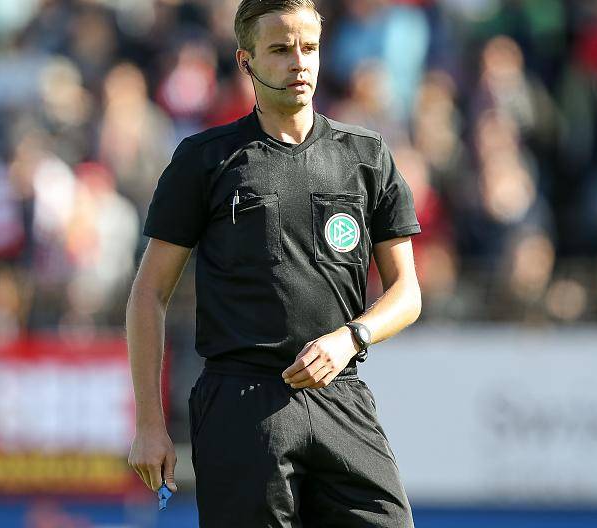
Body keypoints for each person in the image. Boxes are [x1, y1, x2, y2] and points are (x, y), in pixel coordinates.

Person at [125, 1, 423, 526]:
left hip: (341, 393)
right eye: (281, 49)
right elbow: (149, 293)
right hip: (242, 402)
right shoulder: (205, 159)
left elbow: (407, 293)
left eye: (309, 48)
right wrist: (149, 422)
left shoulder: (367, 155)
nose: (299, 62)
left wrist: (351, 337)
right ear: (246, 61)